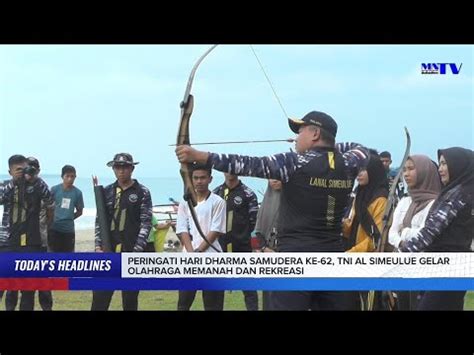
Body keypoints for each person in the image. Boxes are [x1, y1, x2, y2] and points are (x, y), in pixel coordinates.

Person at [176, 110, 369, 310]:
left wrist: (200, 156)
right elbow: (361, 149)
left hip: (295, 261)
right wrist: (327, 148)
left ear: (315, 134)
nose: (296, 138)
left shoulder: (295, 162)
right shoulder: (349, 164)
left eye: (300, 131)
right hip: (333, 261)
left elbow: (249, 165)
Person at [399, 147, 473, 310]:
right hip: (457, 267)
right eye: (439, 164)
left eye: (445, 164)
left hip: (446, 268)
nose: (440, 169)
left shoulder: (456, 195)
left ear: (458, 165)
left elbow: (429, 232)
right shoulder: (467, 193)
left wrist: (401, 256)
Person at [91, 153, 152, 311]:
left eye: (125, 167)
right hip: (108, 252)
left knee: (130, 300)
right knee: (100, 298)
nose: (121, 171)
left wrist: (136, 251)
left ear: (131, 168)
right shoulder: (107, 191)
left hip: (131, 251)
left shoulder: (142, 192)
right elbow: (100, 220)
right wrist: (98, 247)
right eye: (117, 167)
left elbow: (146, 223)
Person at [0, 155, 54, 311]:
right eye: (18, 170)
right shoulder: (6, 185)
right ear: (9, 171)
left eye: (25, 169)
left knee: (28, 288)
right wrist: (14, 182)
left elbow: (50, 201)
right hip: (8, 241)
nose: (23, 173)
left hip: (31, 241)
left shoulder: (37, 184)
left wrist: (36, 179)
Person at [388, 155, 441, 310]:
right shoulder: (405, 201)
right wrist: (402, 241)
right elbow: (392, 233)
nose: (406, 174)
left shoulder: (435, 203)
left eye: (411, 169)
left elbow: (426, 234)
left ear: (425, 172)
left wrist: (404, 233)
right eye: (404, 169)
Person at [176, 165, 226, 311]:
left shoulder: (218, 202)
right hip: (188, 259)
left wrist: (199, 252)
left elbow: (215, 230)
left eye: (203, 177)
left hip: (212, 257)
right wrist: (191, 253)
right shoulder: (185, 202)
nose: (199, 181)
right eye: (196, 178)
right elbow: (182, 229)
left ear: (210, 179)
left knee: (212, 304)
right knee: (183, 303)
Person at [213, 173, 259, 311]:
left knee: (249, 289)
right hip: (218, 248)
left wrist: (241, 236)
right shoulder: (216, 193)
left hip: (242, 248)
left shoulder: (248, 193)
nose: (230, 172)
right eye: (227, 169)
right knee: (216, 290)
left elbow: (253, 220)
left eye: (233, 169)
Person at [342, 153, 388, 253]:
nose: (359, 173)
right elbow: (353, 226)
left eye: (363, 169)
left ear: (373, 170)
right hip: (352, 249)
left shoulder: (381, 199)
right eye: (357, 169)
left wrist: (350, 254)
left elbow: (376, 239)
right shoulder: (359, 194)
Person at [253, 179, 282, 310]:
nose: (274, 181)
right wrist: (262, 248)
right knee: (268, 300)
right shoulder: (267, 200)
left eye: (278, 177)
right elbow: (257, 231)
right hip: (268, 256)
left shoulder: (294, 201)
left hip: (288, 256)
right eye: (271, 177)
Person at [49, 165, 84, 252]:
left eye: (72, 176)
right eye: (67, 176)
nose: (70, 179)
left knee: (68, 257)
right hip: (54, 228)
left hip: (68, 230)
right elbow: (47, 207)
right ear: (62, 177)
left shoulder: (77, 193)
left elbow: (80, 211)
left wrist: (69, 218)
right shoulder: (54, 190)